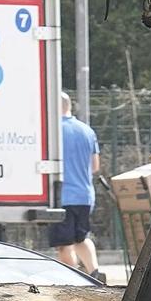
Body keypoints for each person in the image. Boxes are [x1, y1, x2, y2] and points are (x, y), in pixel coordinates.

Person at [51, 92, 102, 281]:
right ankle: (94, 271)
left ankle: (71, 281)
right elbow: (95, 166)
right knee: (81, 238)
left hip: (62, 196)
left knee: (64, 244)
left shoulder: (52, 131)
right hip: (85, 195)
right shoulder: (87, 130)